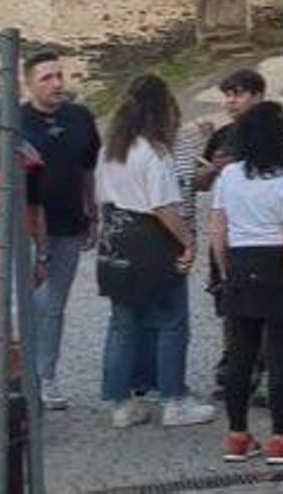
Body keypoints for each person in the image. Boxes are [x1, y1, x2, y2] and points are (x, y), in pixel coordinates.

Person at [94, 73, 216, 429]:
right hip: (152, 241)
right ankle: (174, 399)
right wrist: (188, 241)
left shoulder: (110, 150)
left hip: (116, 239)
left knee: (122, 324)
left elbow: (101, 197)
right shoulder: (154, 152)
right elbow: (163, 206)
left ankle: (121, 403)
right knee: (171, 321)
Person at [211, 101, 283, 465]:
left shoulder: (228, 176)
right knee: (280, 358)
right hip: (278, 268)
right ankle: (281, 438)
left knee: (240, 357)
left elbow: (218, 229)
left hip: (240, 264)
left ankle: (237, 436)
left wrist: (226, 270)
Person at [21, 51, 101, 410]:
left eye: (59, 76)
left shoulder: (80, 117)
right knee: (29, 304)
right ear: (29, 84)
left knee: (54, 305)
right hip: (28, 228)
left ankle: (46, 376)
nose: (56, 83)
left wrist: (92, 213)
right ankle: (24, 376)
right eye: (46, 78)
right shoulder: (17, 122)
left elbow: (88, 169)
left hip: (69, 224)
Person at [192, 68, 267, 400]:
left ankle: (264, 367)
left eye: (238, 94)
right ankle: (235, 363)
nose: (230, 101)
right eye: (227, 95)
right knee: (227, 301)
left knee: (265, 306)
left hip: (262, 232)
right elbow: (198, 183)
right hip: (227, 229)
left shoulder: (274, 134)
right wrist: (213, 168)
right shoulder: (222, 135)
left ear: (258, 96)